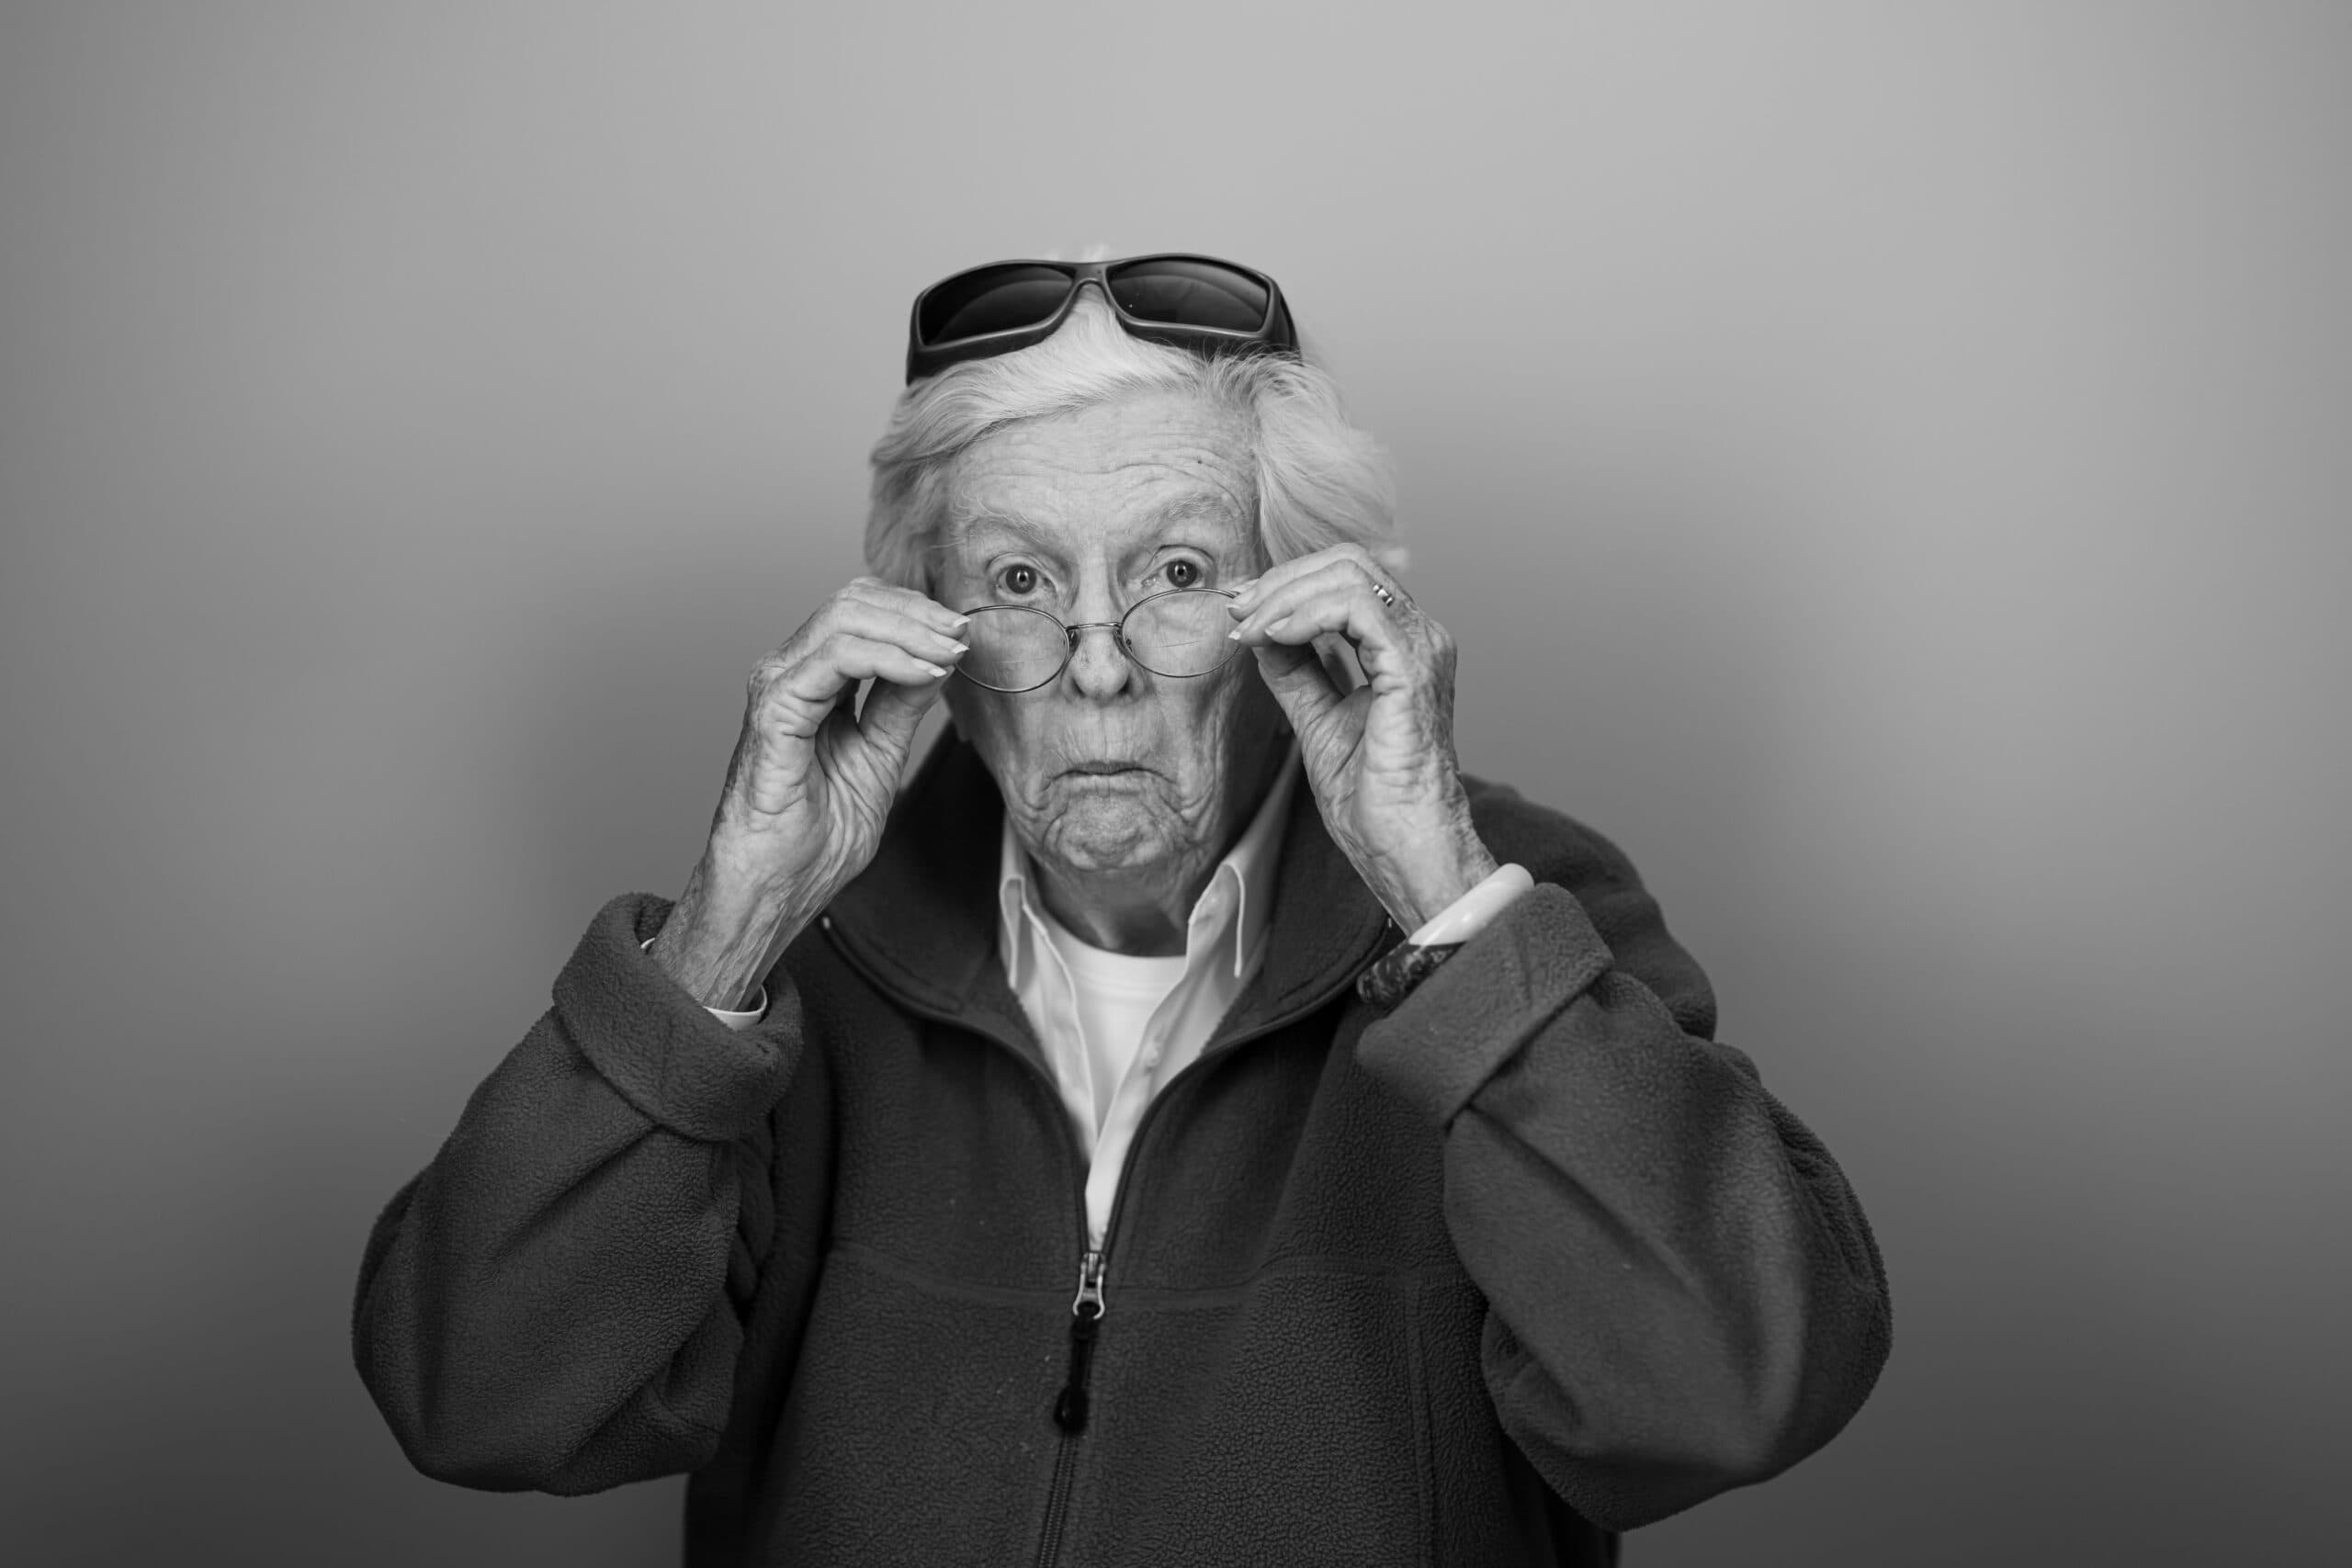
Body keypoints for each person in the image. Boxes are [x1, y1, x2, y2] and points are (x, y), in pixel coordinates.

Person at [353, 253, 1891, 1565]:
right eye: (1018, 579)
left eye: (1173, 570)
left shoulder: (1525, 910)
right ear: (922, 623)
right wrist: (725, 940)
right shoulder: (798, 945)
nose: (1096, 665)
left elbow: (1728, 1391)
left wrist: (1445, 904)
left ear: (1301, 602)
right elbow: (478, 1397)